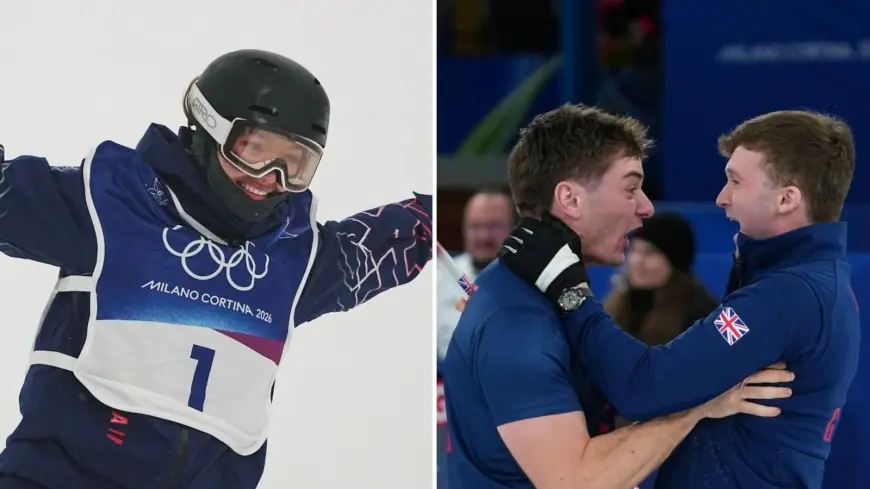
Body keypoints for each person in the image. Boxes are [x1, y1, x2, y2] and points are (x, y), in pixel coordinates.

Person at [0, 49, 432, 489]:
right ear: (209, 127)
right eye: (255, 150)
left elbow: (391, 242)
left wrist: (442, 214)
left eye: (294, 163)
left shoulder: (295, 258)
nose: (271, 177)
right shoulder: (110, 204)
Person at [498, 109, 859, 488]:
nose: (722, 198)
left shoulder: (787, 295)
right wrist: (701, 401)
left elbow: (643, 387)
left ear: (786, 199)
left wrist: (567, 290)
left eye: (736, 181)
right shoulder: (807, 282)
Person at [604, 211, 717, 346]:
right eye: (634, 250)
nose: (637, 260)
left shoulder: (702, 315)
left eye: (650, 252)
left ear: (675, 263)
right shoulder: (620, 306)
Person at [437, 188, 515, 359]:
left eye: (494, 226)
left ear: (514, 230)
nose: (484, 237)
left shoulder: (534, 281)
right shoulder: (436, 277)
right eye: (476, 226)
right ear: (463, 230)